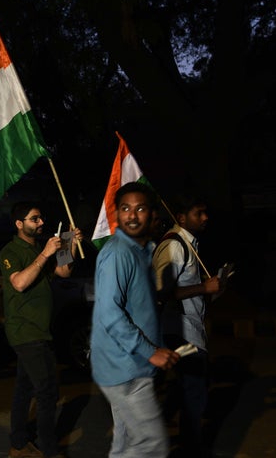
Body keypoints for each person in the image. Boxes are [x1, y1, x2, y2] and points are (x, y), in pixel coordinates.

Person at [90, 182, 180, 457]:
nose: (131, 215)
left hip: (129, 364)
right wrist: (150, 351)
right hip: (125, 367)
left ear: (151, 213)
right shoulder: (119, 253)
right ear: (117, 213)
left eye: (139, 208)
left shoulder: (141, 251)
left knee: (126, 441)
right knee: (152, 446)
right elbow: (110, 313)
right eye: (125, 209)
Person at [0, 201, 82, 458]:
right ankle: (48, 449)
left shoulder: (40, 247)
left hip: (41, 330)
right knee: (47, 391)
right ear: (19, 224)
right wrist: (46, 253)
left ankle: (19, 444)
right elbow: (20, 284)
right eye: (34, 219)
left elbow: (64, 272)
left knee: (24, 387)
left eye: (41, 218)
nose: (41, 223)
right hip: (25, 331)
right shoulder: (10, 251)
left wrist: (68, 242)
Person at [152, 193, 223, 455]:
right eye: (198, 213)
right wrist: (203, 286)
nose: (205, 218)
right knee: (195, 393)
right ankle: (190, 448)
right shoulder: (174, 246)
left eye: (205, 212)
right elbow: (161, 292)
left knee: (187, 389)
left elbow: (186, 287)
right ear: (181, 218)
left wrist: (211, 290)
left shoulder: (188, 244)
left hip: (190, 327)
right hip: (180, 330)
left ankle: (168, 433)